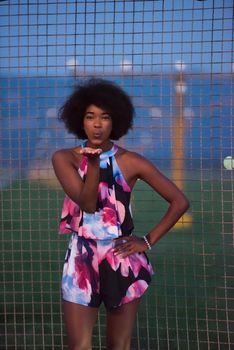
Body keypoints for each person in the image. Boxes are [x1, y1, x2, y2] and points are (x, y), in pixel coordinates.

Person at [52, 78, 189, 350]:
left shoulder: (131, 161)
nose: (98, 124)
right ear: (80, 120)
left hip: (121, 258)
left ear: (116, 122)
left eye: (105, 117)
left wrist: (146, 241)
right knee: (78, 345)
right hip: (82, 258)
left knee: (119, 344)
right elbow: (88, 204)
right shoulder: (64, 158)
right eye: (90, 116)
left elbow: (179, 201)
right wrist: (93, 165)